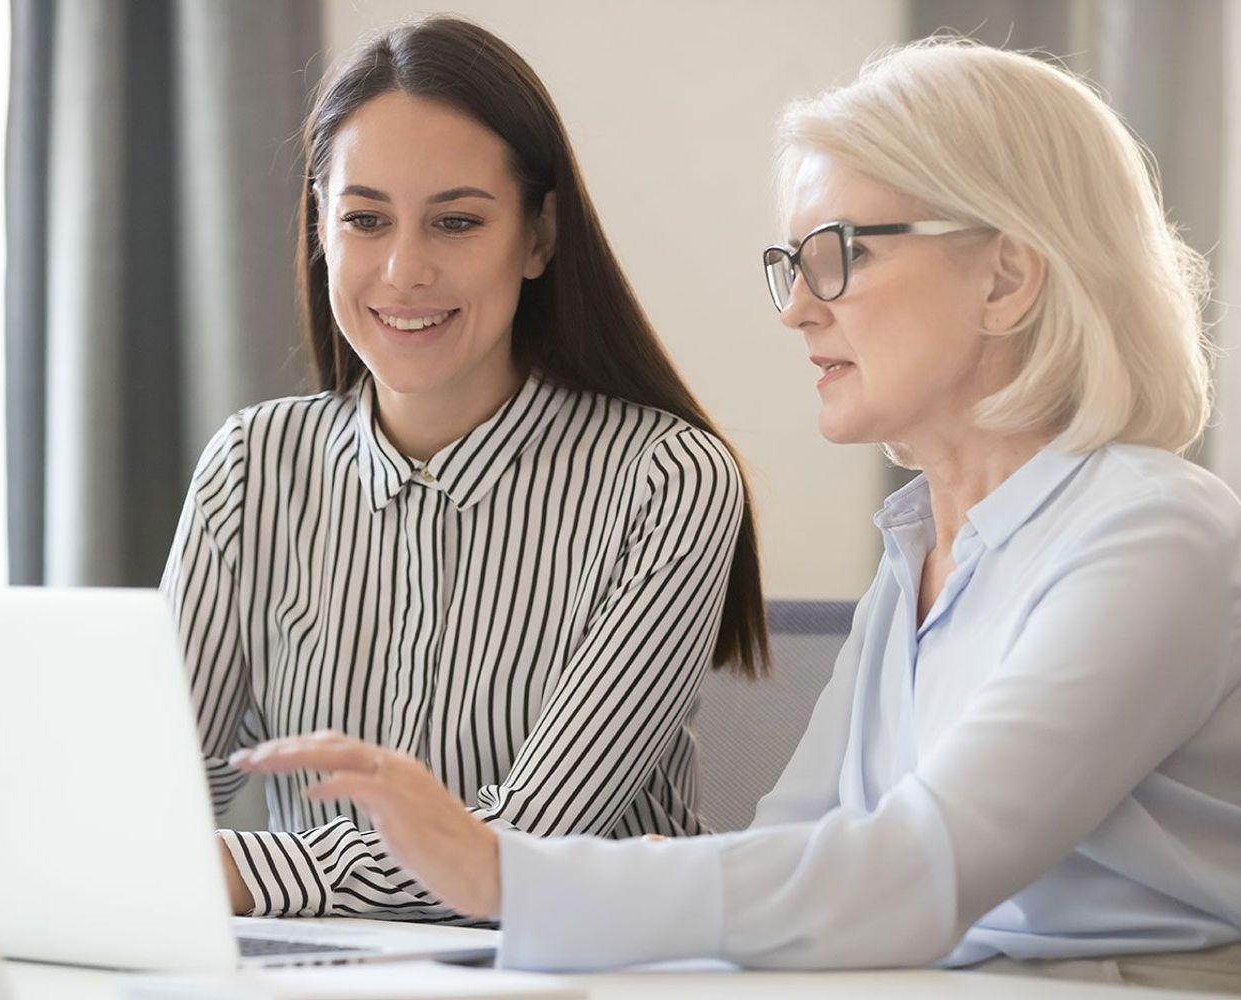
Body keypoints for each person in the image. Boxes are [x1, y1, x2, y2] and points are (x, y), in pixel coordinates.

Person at [236, 38, 1241, 992]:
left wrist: (502, 870)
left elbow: (912, 875)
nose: (798, 306)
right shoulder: (921, 558)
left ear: (1007, 278)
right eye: (792, 263)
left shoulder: (1154, 537)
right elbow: (795, 854)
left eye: (840, 254)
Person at [160, 15, 768, 922]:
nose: (404, 270)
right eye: (365, 220)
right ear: (321, 229)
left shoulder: (666, 480)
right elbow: (149, 799)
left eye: (456, 222)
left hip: (590, 967)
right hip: (325, 975)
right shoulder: (252, 467)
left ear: (538, 237)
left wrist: (243, 872)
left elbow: (519, 855)